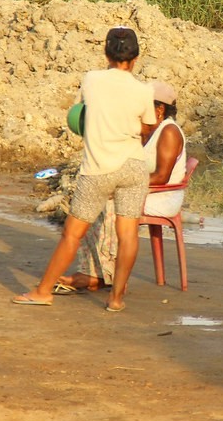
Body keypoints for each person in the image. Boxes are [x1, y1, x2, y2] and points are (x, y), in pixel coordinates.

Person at [12, 27, 155, 312]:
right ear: (135, 58)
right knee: (128, 234)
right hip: (133, 166)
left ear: (106, 53)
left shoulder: (91, 79)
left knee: (72, 233)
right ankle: (115, 298)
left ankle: (43, 291)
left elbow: (82, 113)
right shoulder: (144, 90)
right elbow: (148, 128)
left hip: (98, 169)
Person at [55, 81, 186, 293]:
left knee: (114, 207)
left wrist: (122, 185)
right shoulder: (148, 130)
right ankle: (93, 272)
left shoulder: (169, 132)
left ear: (159, 109)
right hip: (143, 190)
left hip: (163, 196)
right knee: (94, 201)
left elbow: (162, 176)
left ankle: (109, 275)